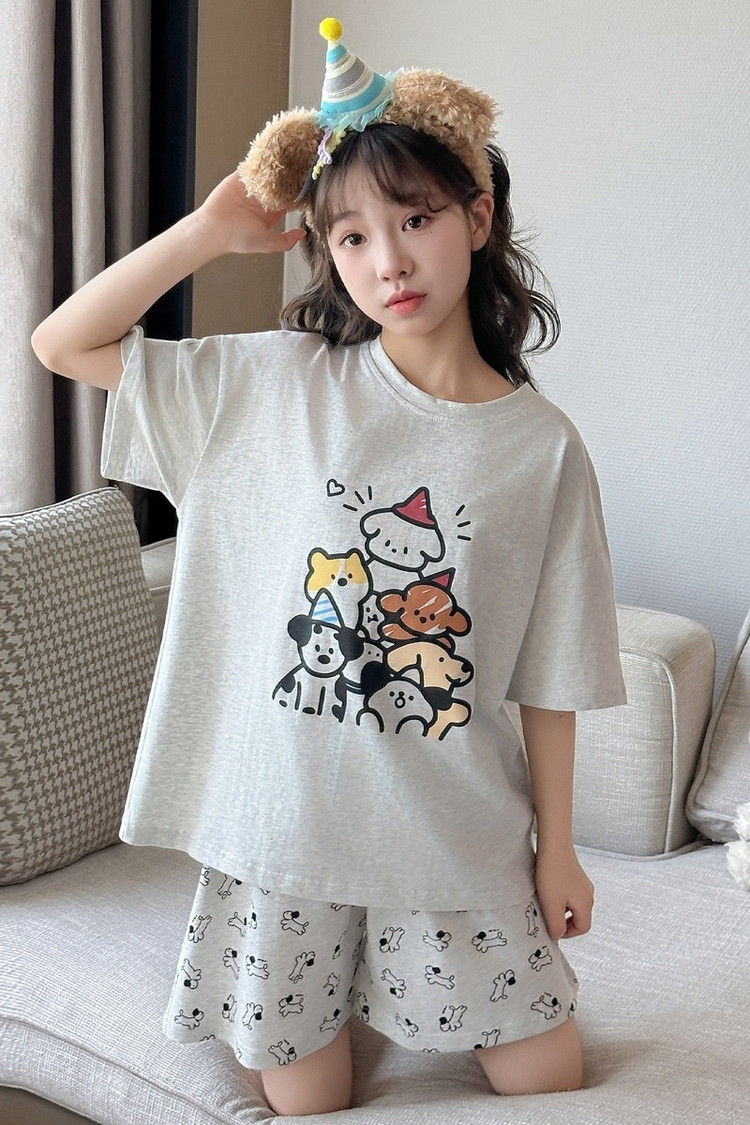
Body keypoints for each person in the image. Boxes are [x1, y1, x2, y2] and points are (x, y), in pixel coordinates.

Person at [32, 17, 626, 1117]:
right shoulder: (277, 385)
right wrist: (209, 231)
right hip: (285, 831)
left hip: (452, 834)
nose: (388, 261)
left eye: (416, 219)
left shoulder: (542, 448)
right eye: (350, 236)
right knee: (308, 1099)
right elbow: (63, 344)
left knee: (550, 1076)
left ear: (477, 217)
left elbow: (553, 671)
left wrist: (557, 850)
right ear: (324, 252)